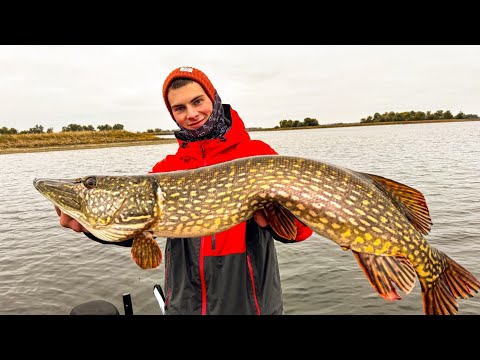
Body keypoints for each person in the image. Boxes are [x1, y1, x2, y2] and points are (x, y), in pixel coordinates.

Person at [56, 66, 313, 315]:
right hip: (184, 305)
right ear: (172, 114)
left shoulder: (257, 155)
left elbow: (300, 231)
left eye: (197, 101)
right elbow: (135, 230)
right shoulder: (166, 170)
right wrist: (91, 227)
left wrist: (272, 221)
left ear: (212, 99)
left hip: (251, 306)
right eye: (180, 108)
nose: (191, 114)